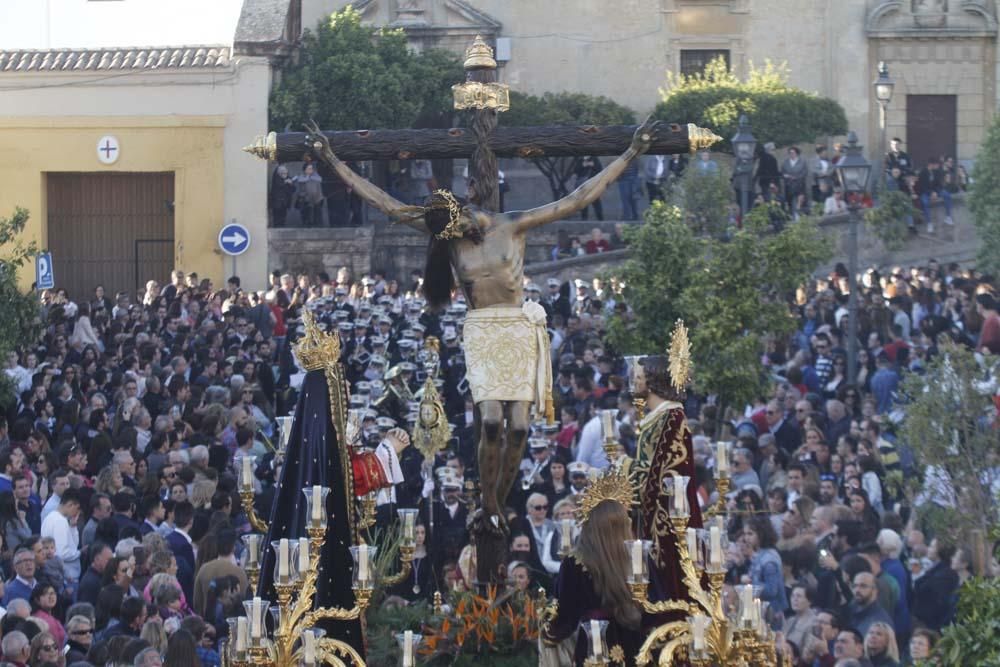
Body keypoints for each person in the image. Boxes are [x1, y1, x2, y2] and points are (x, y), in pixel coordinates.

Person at [310, 117, 665, 585]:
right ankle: (490, 506)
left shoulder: (510, 225)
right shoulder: (447, 235)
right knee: (492, 419)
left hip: (517, 328)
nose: (458, 239)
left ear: (467, 215)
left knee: (519, 427)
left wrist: (630, 154)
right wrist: (332, 159)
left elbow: (577, 198)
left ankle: (496, 501)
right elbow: (387, 204)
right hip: (481, 329)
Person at [632, 350, 702, 606]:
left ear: (651, 381)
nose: (634, 381)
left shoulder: (673, 418)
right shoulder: (658, 417)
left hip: (668, 519)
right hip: (648, 518)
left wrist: (626, 466)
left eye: (638, 376)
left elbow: (666, 473)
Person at [541, 499, 642, 666]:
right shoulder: (639, 558)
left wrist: (547, 625)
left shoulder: (575, 562)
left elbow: (566, 614)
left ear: (589, 525)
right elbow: (653, 604)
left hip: (594, 644)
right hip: (635, 640)